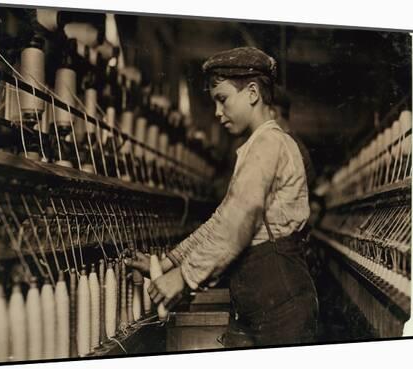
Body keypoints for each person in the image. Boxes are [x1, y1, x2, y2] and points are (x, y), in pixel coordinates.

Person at [127, 46, 318, 347]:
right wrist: (168, 262)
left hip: (281, 301)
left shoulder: (269, 145)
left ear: (252, 92)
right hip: (265, 299)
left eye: (223, 99)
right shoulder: (257, 146)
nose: (217, 112)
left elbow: (237, 225)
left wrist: (184, 277)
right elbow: (222, 220)